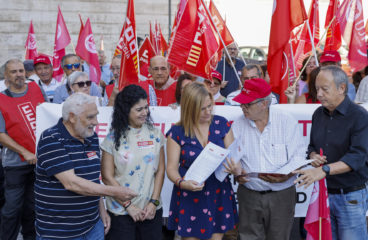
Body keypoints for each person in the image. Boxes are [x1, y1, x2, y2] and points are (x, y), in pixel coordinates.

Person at [35, 93, 137, 239]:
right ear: (71, 117)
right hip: (58, 232)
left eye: (96, 116)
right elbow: (71, 183)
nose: (96, 122)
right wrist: (115, 191)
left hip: (93, 227)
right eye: (90, 117)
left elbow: (93, 179)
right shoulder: (51, 139)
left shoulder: (91, 137)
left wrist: (101, 210)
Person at [294, 66, 368, 240]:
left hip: (350, 196)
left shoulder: (359, 116)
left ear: (342, 88)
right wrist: (314, 157)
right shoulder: (318, 114)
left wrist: (324, 170)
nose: (318, 94)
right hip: (323, 194)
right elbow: (312, 147)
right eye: (316, 88)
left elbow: (357, 157)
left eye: (324, 89)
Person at [224, 78, 305, 240]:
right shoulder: (238, 125)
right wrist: (238, 172)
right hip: (249, 194)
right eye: (241, 104)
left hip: (281, 195)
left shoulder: (286, 121)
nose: (243, 108)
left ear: (264, 104)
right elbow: (233, 156)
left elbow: (298, 156)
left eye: (247, 104)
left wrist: (286, 175)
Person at [166, 82, 238, 239]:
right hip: (190, 194)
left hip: (218, 192)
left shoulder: (222, 124)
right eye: (202, 109)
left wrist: (235, 168)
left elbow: (234, 159)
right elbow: (171, 168)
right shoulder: (177, 132)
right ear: (189, 108)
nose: (208, 112)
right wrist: (181, 183)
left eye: (210, 106)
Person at [101, 85, 165, 239]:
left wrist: (153, 203)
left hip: (150, 211)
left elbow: (160, 171)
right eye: (138, 110)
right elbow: (106, 176)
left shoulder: (155, 134)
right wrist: (128, 206)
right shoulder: (112, 138)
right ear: (126, 110)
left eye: (146, 108)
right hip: (121, 212)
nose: (145, 113)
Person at [0, 59, 47, 240]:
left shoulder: (35, 87)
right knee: (12, 209)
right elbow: (1, 134)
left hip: (40, 162)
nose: (19, 74)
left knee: (33, 208)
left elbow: (47, 114)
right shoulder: (1, 99)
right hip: (15, 165)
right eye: (13, 72)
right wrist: (24, 152)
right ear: (6, 76)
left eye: (21, 70)